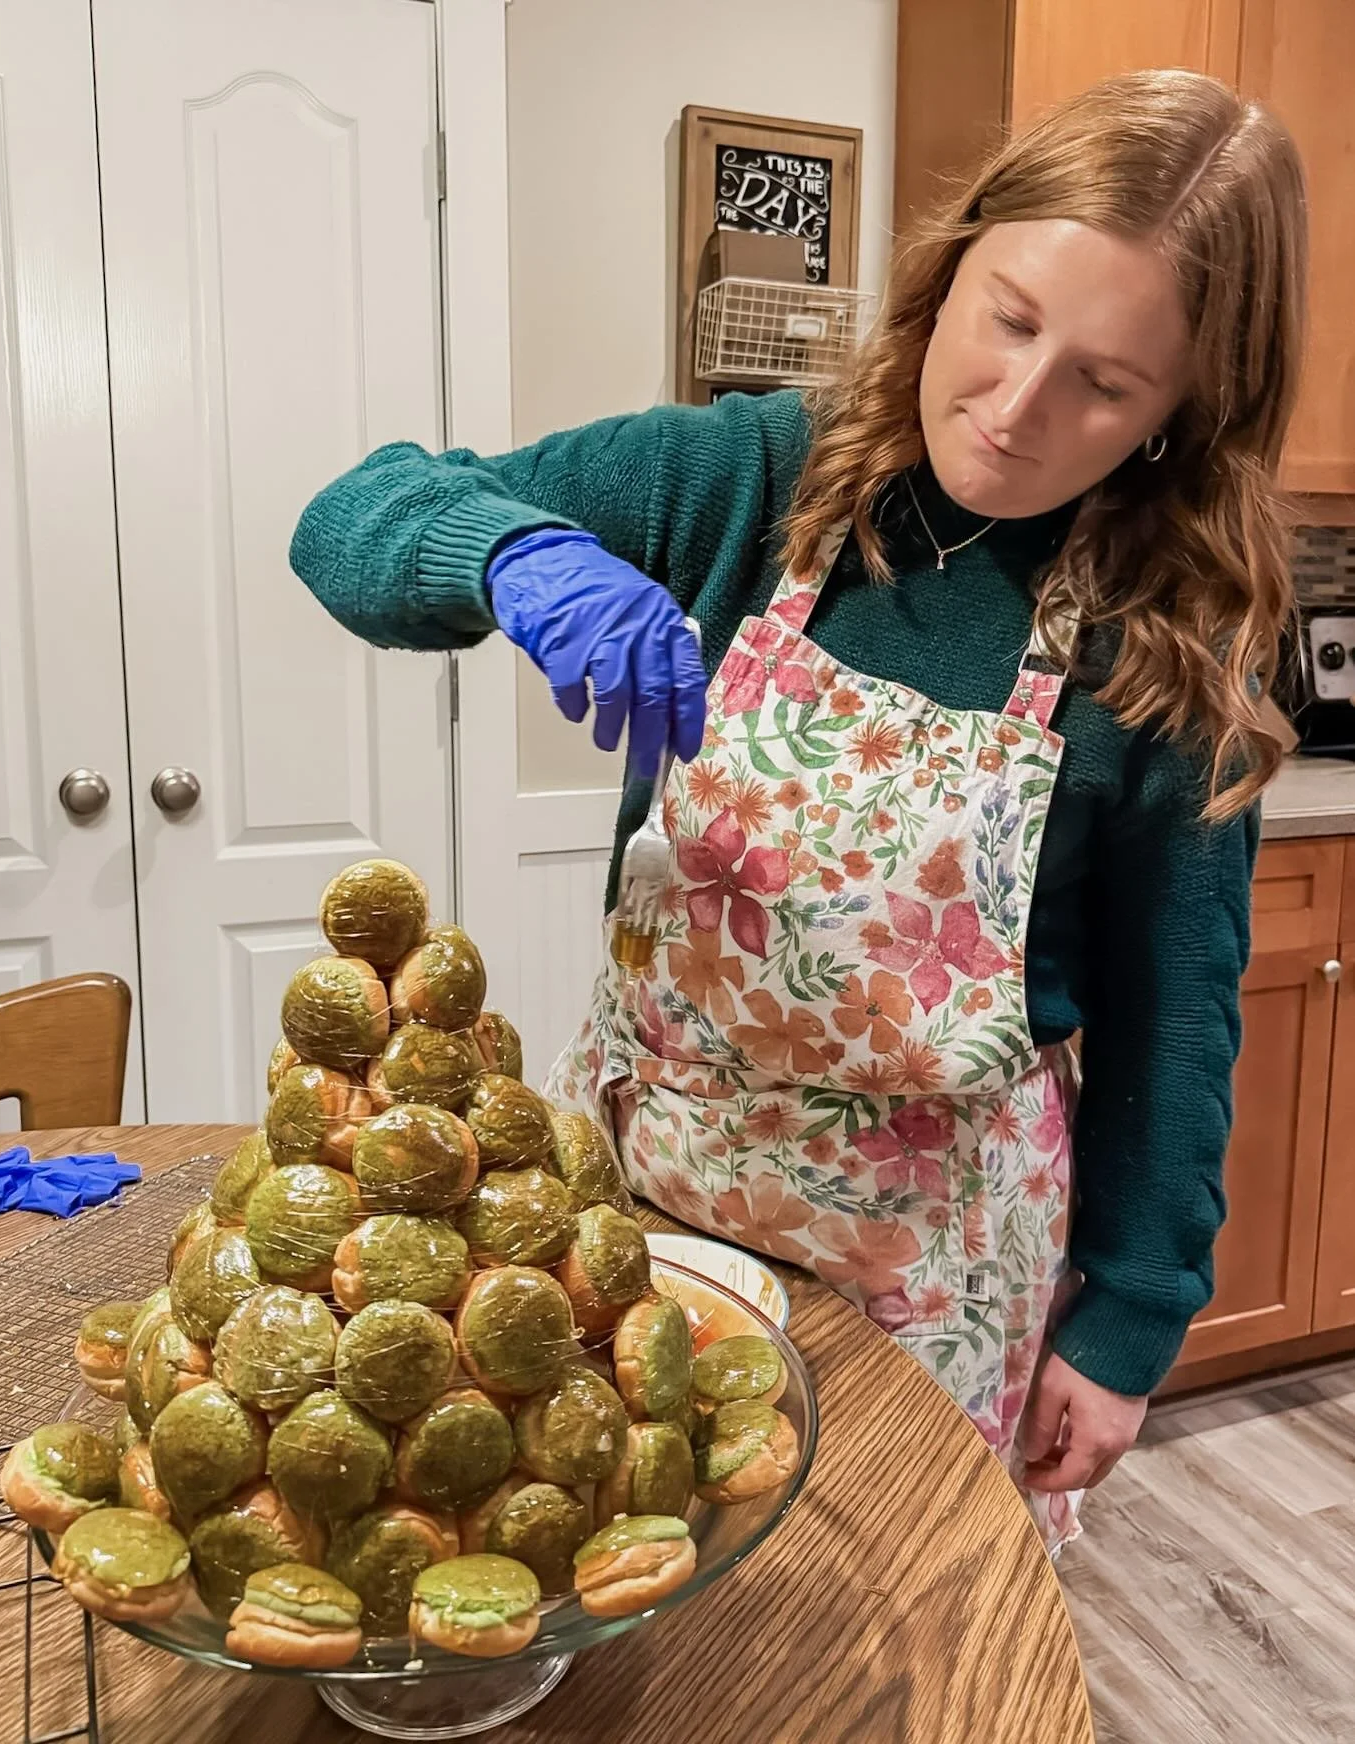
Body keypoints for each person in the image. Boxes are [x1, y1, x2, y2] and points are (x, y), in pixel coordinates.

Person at [288, 70, 1308, 1553]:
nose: (1017, 409)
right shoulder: (751, 478)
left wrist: (1132, 1318)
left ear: (1181, 413)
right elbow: (352, 518)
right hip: (637, 1205)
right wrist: (508, 557)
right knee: (616, 1567)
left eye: (1104, 384)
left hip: (938, 1264)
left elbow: (1178, 1007)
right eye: (1009, 319)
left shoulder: (1166, 634)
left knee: (877, 1617)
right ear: (951, 267)